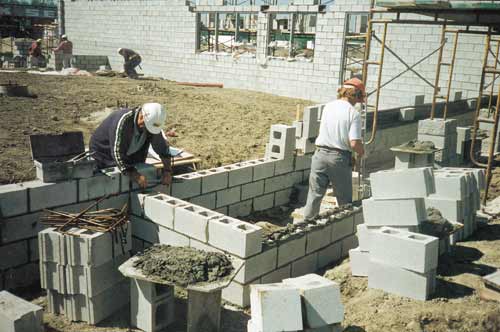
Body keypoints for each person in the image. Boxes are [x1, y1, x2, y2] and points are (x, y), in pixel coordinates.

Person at [302, 78, 366, 221]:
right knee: (344, 201)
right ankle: (344, 231)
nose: (357, 102)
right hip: (338, 158)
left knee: (314, 196)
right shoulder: (353, 113)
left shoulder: (328, 107)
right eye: (358, 98)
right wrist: (361, 153)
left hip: (319, 155)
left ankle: (305, 227)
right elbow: (354, 143)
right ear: (355, 95)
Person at [89, 103, 172, 189]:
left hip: (128, 153)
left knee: (135, 176)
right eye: (146, 127)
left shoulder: (152, 124)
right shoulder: (123, 121)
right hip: (104, 154)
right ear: (141, 117)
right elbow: (117, 153)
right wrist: (135, 175)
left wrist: (167, 171)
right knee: (112, 183)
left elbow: (162, 149)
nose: (147, 130)